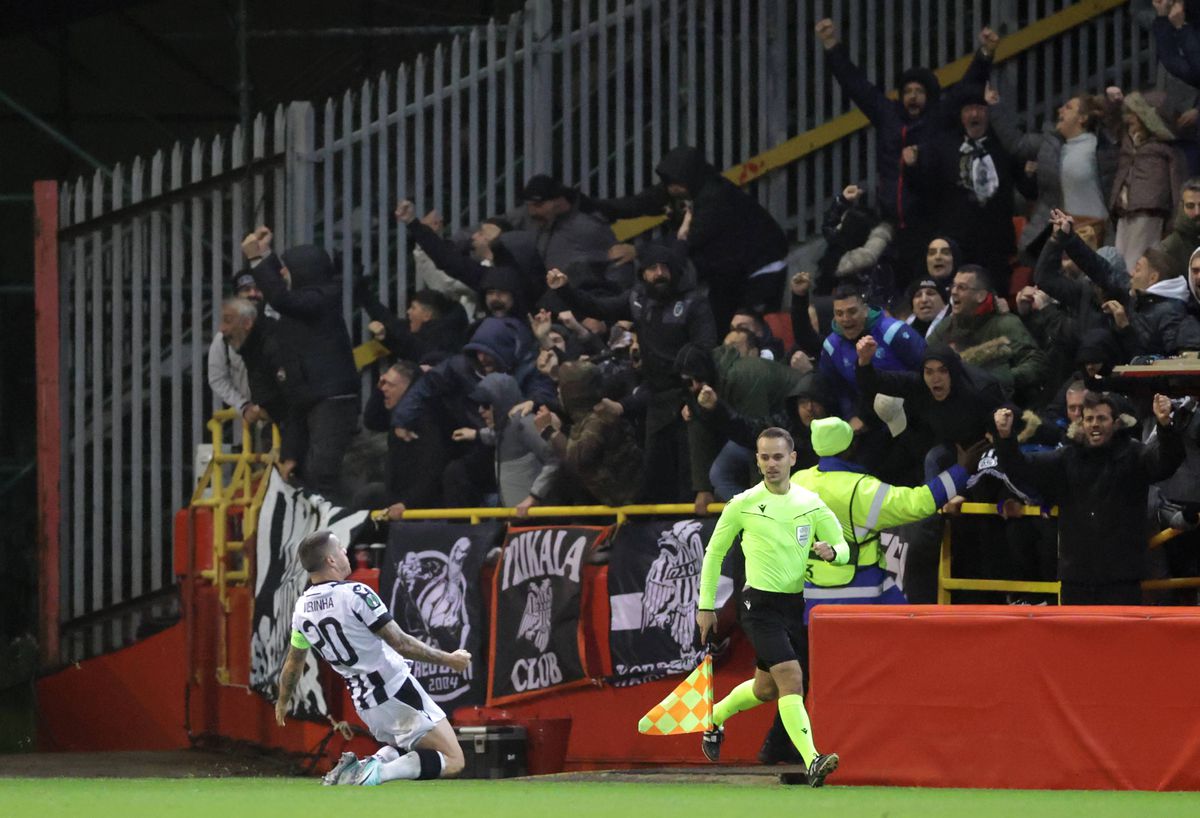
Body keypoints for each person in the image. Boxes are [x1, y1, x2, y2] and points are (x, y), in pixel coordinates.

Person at [695, 427, 847, 788]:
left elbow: (842, 547)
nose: (771, 464)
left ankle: (713, 716)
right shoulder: (743, 503)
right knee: (792, 677)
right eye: (764, 457)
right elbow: (714, 553)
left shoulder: (810, 503)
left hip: (792, 605)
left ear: (793, 458)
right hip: (757, 605)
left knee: (766, 689)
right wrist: (706, 606)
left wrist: (833, 553)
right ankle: (812, 759)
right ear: (757, 460)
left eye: (778, 456)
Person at [274, 530, 471, 785]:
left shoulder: (301, 610)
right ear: (331, 560)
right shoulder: (355, 593)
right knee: (454, 760)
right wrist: (449, 660)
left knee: (405, 745)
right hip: (396, 690)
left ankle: (362, 767)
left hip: (365, 704)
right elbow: (400, 642)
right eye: (341, 550)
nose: (345, 554)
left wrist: (282, 700)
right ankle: (374, 773)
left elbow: (294, 662)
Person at [992, 393, 1184, 604]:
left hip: (1122, 580)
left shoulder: (1135, 455)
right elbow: (1021, 469)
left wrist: (1165, 425)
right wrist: (1005, 438)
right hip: (1075, 580)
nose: (1095, 424)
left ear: (1116, 422)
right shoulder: (1065, 459)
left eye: (1102, 419)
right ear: (1081, 423)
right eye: (1089, 419)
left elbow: (1167, 462)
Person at [242, 227, 359, 499]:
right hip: (306, 395)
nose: (282, 274)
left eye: (286, 268)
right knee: (303, 472)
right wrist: (266, 253)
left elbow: (284, 298)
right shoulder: (304, 305)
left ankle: (342, 534)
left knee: (322, 471)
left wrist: (257, 261)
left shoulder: (324, 297)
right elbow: (287, 293)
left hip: (332, 398)